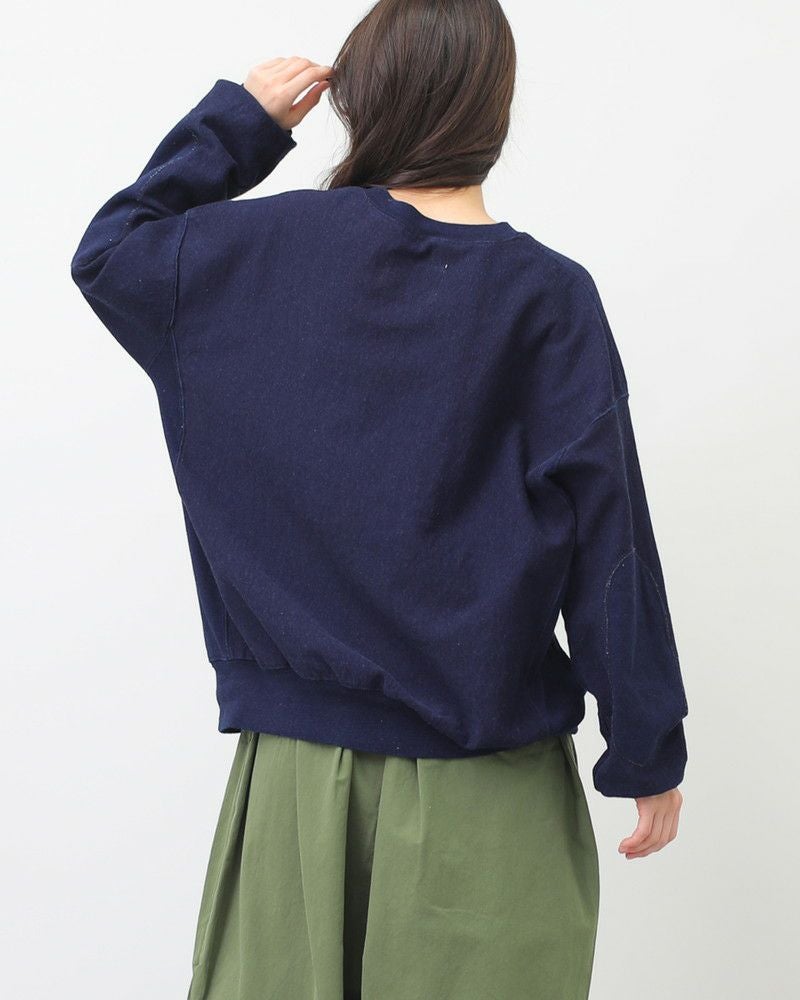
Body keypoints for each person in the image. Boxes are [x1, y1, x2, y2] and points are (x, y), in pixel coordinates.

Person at [69, 1, 689, 997]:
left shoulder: (249, 258)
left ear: (358, 98)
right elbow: (605, 537)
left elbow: (110, 254)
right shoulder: (544, 296)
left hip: (288, 786)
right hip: (482, 791)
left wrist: (239, 124)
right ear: (493, 104)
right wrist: (646, 744)